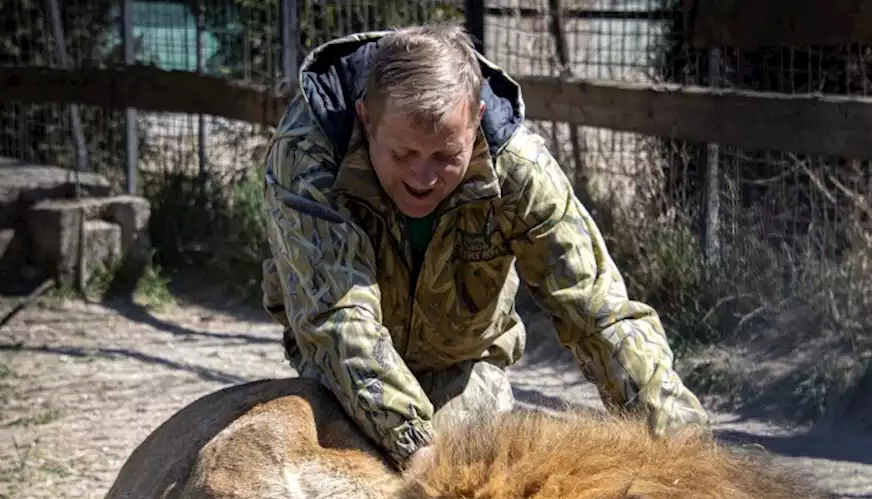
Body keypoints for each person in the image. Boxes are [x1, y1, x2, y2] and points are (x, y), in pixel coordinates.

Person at [260, 22, 709, 473]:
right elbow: (335, 316)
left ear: (475, 120)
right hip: (340, 369)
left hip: (465, 368)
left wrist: (687, 455)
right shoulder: (308, 156)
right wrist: (417, 451)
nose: (423, 177)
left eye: (445, 156)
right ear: (365, 119)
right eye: (403, 155)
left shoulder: (519, 169)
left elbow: (599, 312)